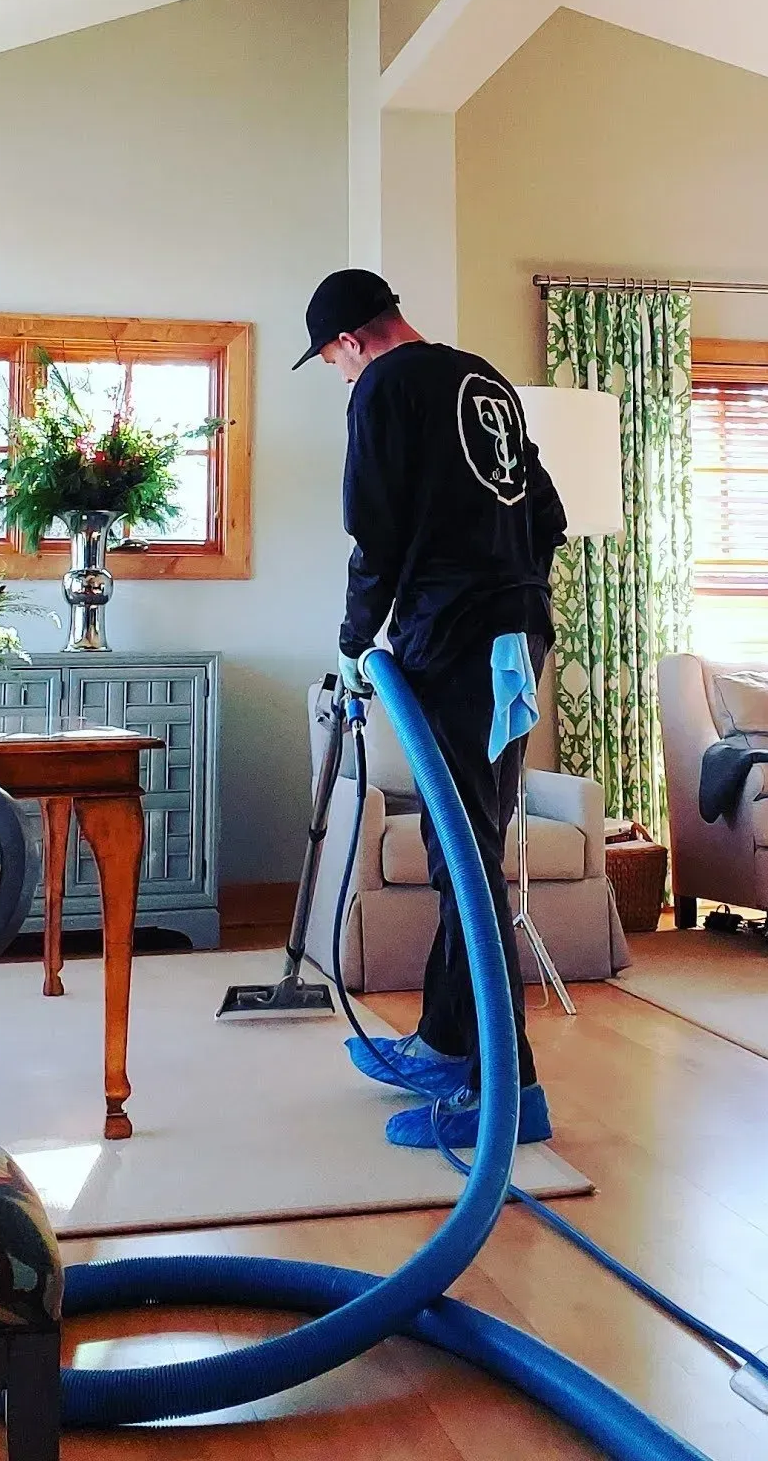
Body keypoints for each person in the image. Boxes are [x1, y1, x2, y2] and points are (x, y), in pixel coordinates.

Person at [295, 267, 567, 1148]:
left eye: (333, 360)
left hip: (452, 640)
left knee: (466, 858)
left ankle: (509, 1091)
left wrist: (354, 638)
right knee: (467, 843)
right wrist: (509, 592)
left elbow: (374, 533)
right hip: (516, 634)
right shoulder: (483, 379)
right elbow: (549, 514)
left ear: (350, 340)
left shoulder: (383, 387)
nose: (340, 372)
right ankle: (450, 1042)